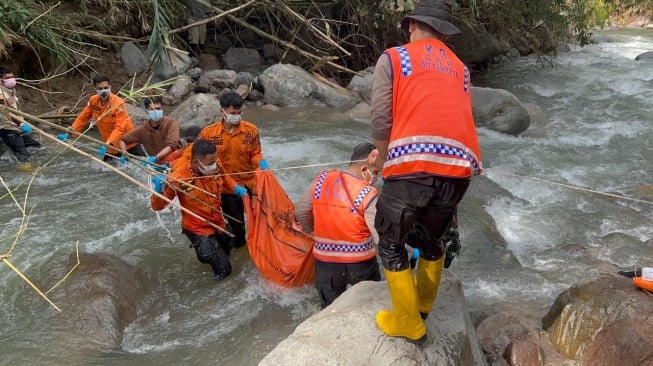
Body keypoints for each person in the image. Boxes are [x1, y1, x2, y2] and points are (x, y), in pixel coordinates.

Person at [370, 0, 482, 344]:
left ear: (411, 26)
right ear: (444, 33)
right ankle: (422, 308)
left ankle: (407, 321)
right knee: (431, 240)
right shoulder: (460, 68)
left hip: (412, 165)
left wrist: (382, 159)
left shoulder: (395, 57)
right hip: (459, 168)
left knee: (390, 239)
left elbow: (380, 119)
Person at [295, 142, 382, 309]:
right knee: (367, 307)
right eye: (376, 172)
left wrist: (311, 230)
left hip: (326, 263)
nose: (377, 177)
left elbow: (301, 211)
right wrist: (409, 252)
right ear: (364, 169)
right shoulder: (369, 194)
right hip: (361, 264)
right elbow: (381, 237)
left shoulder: (322, 179)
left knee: (330, 310)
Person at [150, 139, 248, 281]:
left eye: (215, 160)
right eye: (210, 163)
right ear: (196, 162)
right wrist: (158, 190)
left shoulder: (214, 164)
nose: (214, 165)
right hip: (197, 227)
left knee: (229, 247)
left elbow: (225, 178)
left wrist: (235, 187)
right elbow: (157, 206)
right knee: (224, 268)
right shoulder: (178, 178)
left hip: (217, 220)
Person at [193, 91, 269, 249]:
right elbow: (193, 155)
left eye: (239, 112)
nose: (237, 116)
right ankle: (242, 247)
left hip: (251, 184)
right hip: (227, 188)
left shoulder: (251, 130)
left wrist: (261, 162)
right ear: (222, 111)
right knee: (237, 225)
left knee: (262, 220)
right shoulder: (209, 133)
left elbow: (255, 153)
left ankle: (262, 249)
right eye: (233, 113)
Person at [65, 74, 142, 161]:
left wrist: (108, 143)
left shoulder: (118, 104)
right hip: (110, 146)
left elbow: (119, 128)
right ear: (95, 89)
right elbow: (83, 117)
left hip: (127, 143)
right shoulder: (93, 101)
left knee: (144, 168)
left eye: (106, 88)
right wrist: (71, 131)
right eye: (100, 89)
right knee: (107, 169)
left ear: (110, 87)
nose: (103, 91)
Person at [0, 65, 40, 168]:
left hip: (16, 127)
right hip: (6, 128)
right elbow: (7, 112)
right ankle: (26, 171)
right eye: (8, 78)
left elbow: (15, 111)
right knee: (23, 156)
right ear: (1, 79)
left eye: (12, 77)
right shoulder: (0, 93)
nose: (11, 80)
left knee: (35, 146)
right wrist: (21, 123)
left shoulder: (10, 91)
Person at [119, 97, 180, 163]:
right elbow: (122, 140)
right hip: (157, 165)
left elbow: (171, 145)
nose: (156, 112)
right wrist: (124, 153)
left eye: (158, 109)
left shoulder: (171, 123)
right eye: (152, 109)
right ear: (147, 110)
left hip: (176, 160)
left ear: (162, 109)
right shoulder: (142, 130)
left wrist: (156, 158)